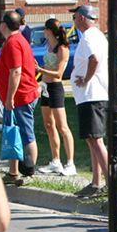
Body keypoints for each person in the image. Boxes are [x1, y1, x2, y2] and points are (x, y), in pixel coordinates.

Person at [69, 4, 109, 198]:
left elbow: (94, 58)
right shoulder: (98, 35)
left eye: (75, 16)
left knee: (96, 140)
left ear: (83, 18)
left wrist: (86, 78)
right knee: (92, 139)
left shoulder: (89, 36)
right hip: (93, 95)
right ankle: (96, 182)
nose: (74, 20)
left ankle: (111, 183)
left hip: (92, 95)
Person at [0, 10, 40, 185]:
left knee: (26, 134)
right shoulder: (17, 40)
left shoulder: (14, 42)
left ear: (4, 25)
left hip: (20, 96)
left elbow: (16, 72)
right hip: (16, 97)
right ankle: (13, 172)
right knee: (13, 132)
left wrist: (10, 97)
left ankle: (29, 173)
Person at [35, 18, 76, 176]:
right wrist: (38, 71)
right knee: (48, 124)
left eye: (45, 29)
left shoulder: (62, 48)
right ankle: (55, 161)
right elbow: (48, 66)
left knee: (62, 127)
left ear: (50, 30)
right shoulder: (48, 45)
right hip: (45, 87)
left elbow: (58, 73)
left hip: (55, 88)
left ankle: (70, 163)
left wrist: (40, 70)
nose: (44, 32)